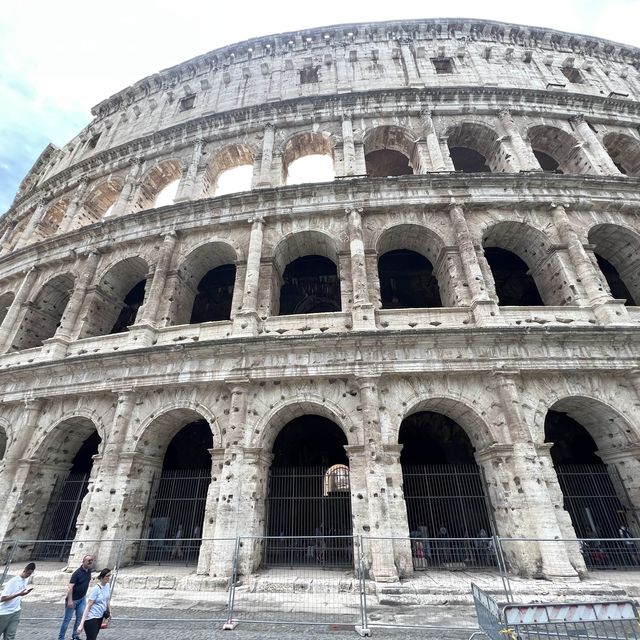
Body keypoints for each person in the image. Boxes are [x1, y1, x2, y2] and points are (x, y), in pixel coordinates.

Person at [58, 554, 93, 640]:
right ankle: (61, 637)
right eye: (88, 561)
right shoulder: (77, 573)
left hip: (82, 598)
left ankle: (75, 637)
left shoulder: (89, 571)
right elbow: (70, 587)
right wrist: (70, 600)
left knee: (79, 618)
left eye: (91, 560)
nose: (90, 562)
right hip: (73, 600)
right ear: (83, 562)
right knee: (67, 619)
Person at [0, 562, 35, 640]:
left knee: (10, 636)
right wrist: (18, 594)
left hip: (16, 611)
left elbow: (19, 596)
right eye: (28, 573)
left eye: (30, 574)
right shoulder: (13, 581)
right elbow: (2, 599)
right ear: (24, 570)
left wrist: (23, 594)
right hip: (4, 612)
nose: (29, 575)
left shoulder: (25, 580)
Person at [77, 568, 112, 640]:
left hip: (100, 617)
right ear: (102, 577)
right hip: (91, 618)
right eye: (107, 576)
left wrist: (109, 612)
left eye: (110, 575)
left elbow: (107, 600)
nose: (109, 578)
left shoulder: (108, 586)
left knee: (93, 638)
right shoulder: (96, 589)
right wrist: (81, 624)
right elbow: (88, 606)